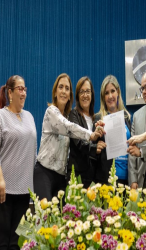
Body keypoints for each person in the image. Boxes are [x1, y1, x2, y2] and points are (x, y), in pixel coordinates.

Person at [34, 73, 104, 201]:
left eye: (67, 88)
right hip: (44, 172)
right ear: (55, 92)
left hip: (61, 177)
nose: (64, 91)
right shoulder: (51, 112)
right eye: (61, 87)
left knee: (58, 219)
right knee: (44, 217)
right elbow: (69, 127)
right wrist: (91, 135)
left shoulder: (67, 117)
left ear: (70, 95)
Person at [0, 75, 37, 249]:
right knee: (1, 244)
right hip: (1, 190)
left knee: (18, 244)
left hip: (23, 192)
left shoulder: (30, 117)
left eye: (25, 89)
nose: (23, 93)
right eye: (19, 89)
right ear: (10, 93)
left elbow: (33, 153)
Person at [67, 77, 106, 188]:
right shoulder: (73, 115)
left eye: (88, 91)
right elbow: (78, 141)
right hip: (77, 176)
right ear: (78, 96)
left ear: (92, 94)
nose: (85, 95)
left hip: (92, 177)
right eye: (82, 92)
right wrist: (95, 148)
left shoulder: (96, 119)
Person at [94, 75, 131, 185]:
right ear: (103, 97)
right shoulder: (98, 119)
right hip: (108, 180)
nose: (110, 96)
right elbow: (92, 149)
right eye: (106, 93)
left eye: (112, 91)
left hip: (127, 180)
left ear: (118, 92)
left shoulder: (127, 118)